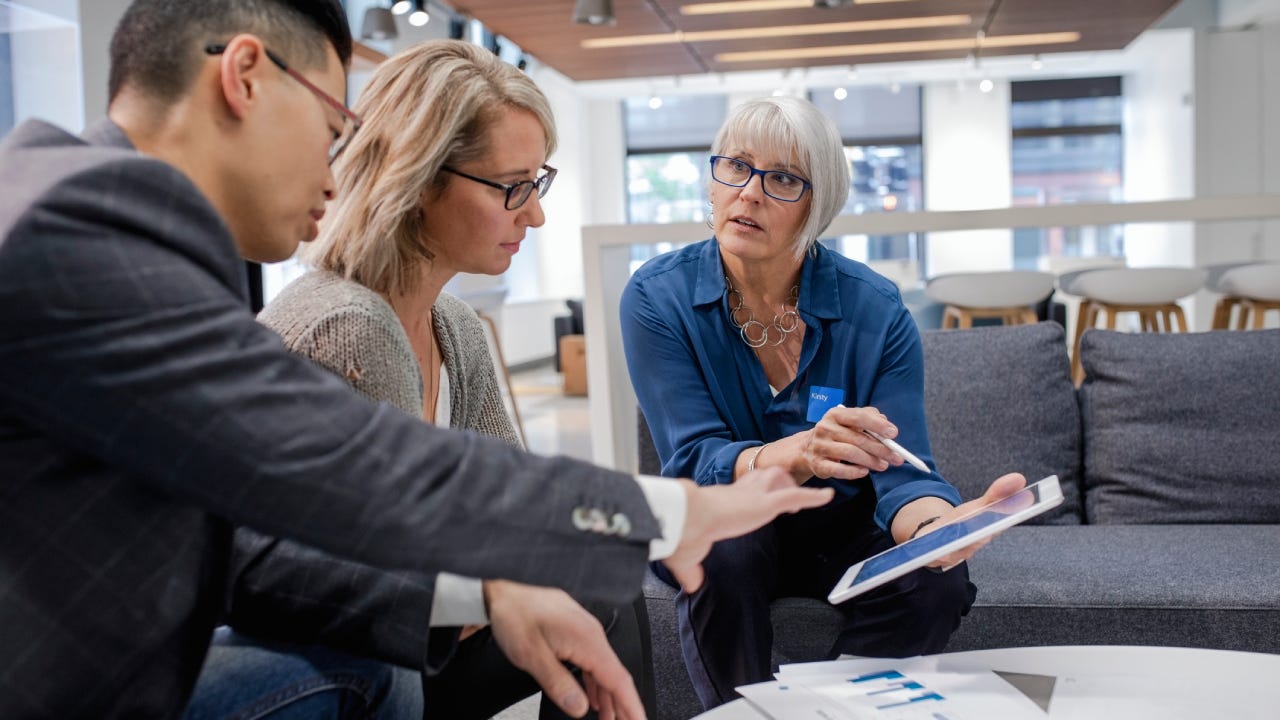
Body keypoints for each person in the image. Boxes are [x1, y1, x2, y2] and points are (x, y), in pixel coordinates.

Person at [0, 2, 836, 717]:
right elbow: (358, 463)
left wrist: (491, 586)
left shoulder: (98, 219)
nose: (334, 173)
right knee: (380, 668)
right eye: (331, 127)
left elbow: (238, 552)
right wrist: (665, 510)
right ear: (245, 76)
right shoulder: (89, 221)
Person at [187, 39, 655, 720]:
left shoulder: (454, 325)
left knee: (598, 583)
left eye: (538, 181)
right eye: (512, 187)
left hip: (418, 630)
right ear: (418, 179)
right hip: (350, 651)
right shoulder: (348, 324)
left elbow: (512, 506)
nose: (535, 213)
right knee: (599, 597)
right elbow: (383, 564)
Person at [619, 96, 1025, 711]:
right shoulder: (657, 297)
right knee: (724, 552)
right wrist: (802, 452)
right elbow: (694, 460)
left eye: (782, 179)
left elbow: (903, 468)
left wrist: (937, 530)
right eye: (735, 166)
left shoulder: (875, 308)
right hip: (726, 521)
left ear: (819, 204)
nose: (749, 193)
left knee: (936, 583)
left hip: (841, 527)